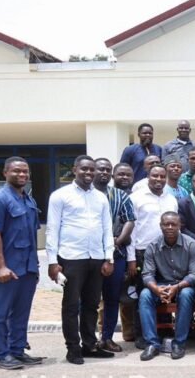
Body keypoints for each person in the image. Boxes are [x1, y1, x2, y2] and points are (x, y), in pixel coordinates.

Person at [46, 155, 114, 365]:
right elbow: (52, 228)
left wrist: (109, 257)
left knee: (92, 304)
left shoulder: (101, 197)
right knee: (71, 305)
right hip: (71, 257)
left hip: (96, 258)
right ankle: (73, 348)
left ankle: (89, 345)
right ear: (75, 169)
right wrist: (52, 261)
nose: (89, 173)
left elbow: (107, 228)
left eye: (92, 170)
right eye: (84, 169)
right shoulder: (60, 196)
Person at [0, 157, 42, 369]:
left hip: (27, 268)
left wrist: (34, 266)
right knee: (0, 314)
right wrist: (1, 266)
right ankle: (2, 355)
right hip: (7, 269)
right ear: (5, 173)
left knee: (21, 312)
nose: (22, 175)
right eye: (17, 171)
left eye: (25, 171)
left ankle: (17, 351)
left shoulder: (29, 200)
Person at [126, 164, 179, 348]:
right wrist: (131, 258)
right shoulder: (135, 198)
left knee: (163, 291)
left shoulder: (171, 199)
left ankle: (163, 331)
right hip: (142, 252)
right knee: (143, 293)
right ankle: (141, 334)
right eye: (154, 175)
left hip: (166, 251)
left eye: (162, 176)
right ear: (147, 176)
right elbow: (131, 230)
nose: (158, 179)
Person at [137, 212, 195, 361]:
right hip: (162, 285)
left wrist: (177, 287)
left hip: (184, 284)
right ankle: (152, 343)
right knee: (145, 295)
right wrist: (156, 289)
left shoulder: (191, 244)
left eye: (174, 224)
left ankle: (179, 343)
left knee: (186, 295)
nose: (170, 227)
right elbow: (147, 274)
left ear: (180, 226)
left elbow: (194, 274)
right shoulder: (152, 246)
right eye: (166, 224)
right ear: (161, 226)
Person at [93, 158, 135, 353]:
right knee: (88, 300)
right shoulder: (85, 196)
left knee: (111, 298)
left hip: (115, 254)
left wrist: (116, 242)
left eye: (107, 170)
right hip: (87, 256)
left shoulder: (120, 196)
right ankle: (87, 338)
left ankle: (107, 338)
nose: (104, 172)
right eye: (100, 169)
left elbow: (129, 221)